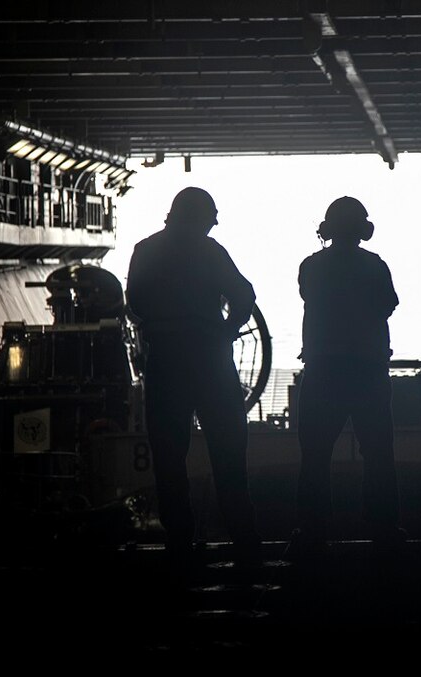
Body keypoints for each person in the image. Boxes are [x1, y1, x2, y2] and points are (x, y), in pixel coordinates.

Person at [125, 187, 261, 570]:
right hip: (211, 360)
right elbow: (244, 295)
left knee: (169, 457)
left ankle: (179, 542)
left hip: (166, 361)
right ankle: (244, 540)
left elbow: (135, 302)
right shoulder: (210, 251)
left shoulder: (146, 250)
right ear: (201, 218)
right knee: (229, 453)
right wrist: (227, 330)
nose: (214, 224)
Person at [289, 196, 403, 558]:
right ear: (363, 230)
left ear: (327, 230)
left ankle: (313, 529)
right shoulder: (375, 266)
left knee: (316, 454)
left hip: (323, 370)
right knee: (379, 452)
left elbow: (308, 294)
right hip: (368, 370)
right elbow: (389, 304)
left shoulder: (311, 266)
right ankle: (383, 528)